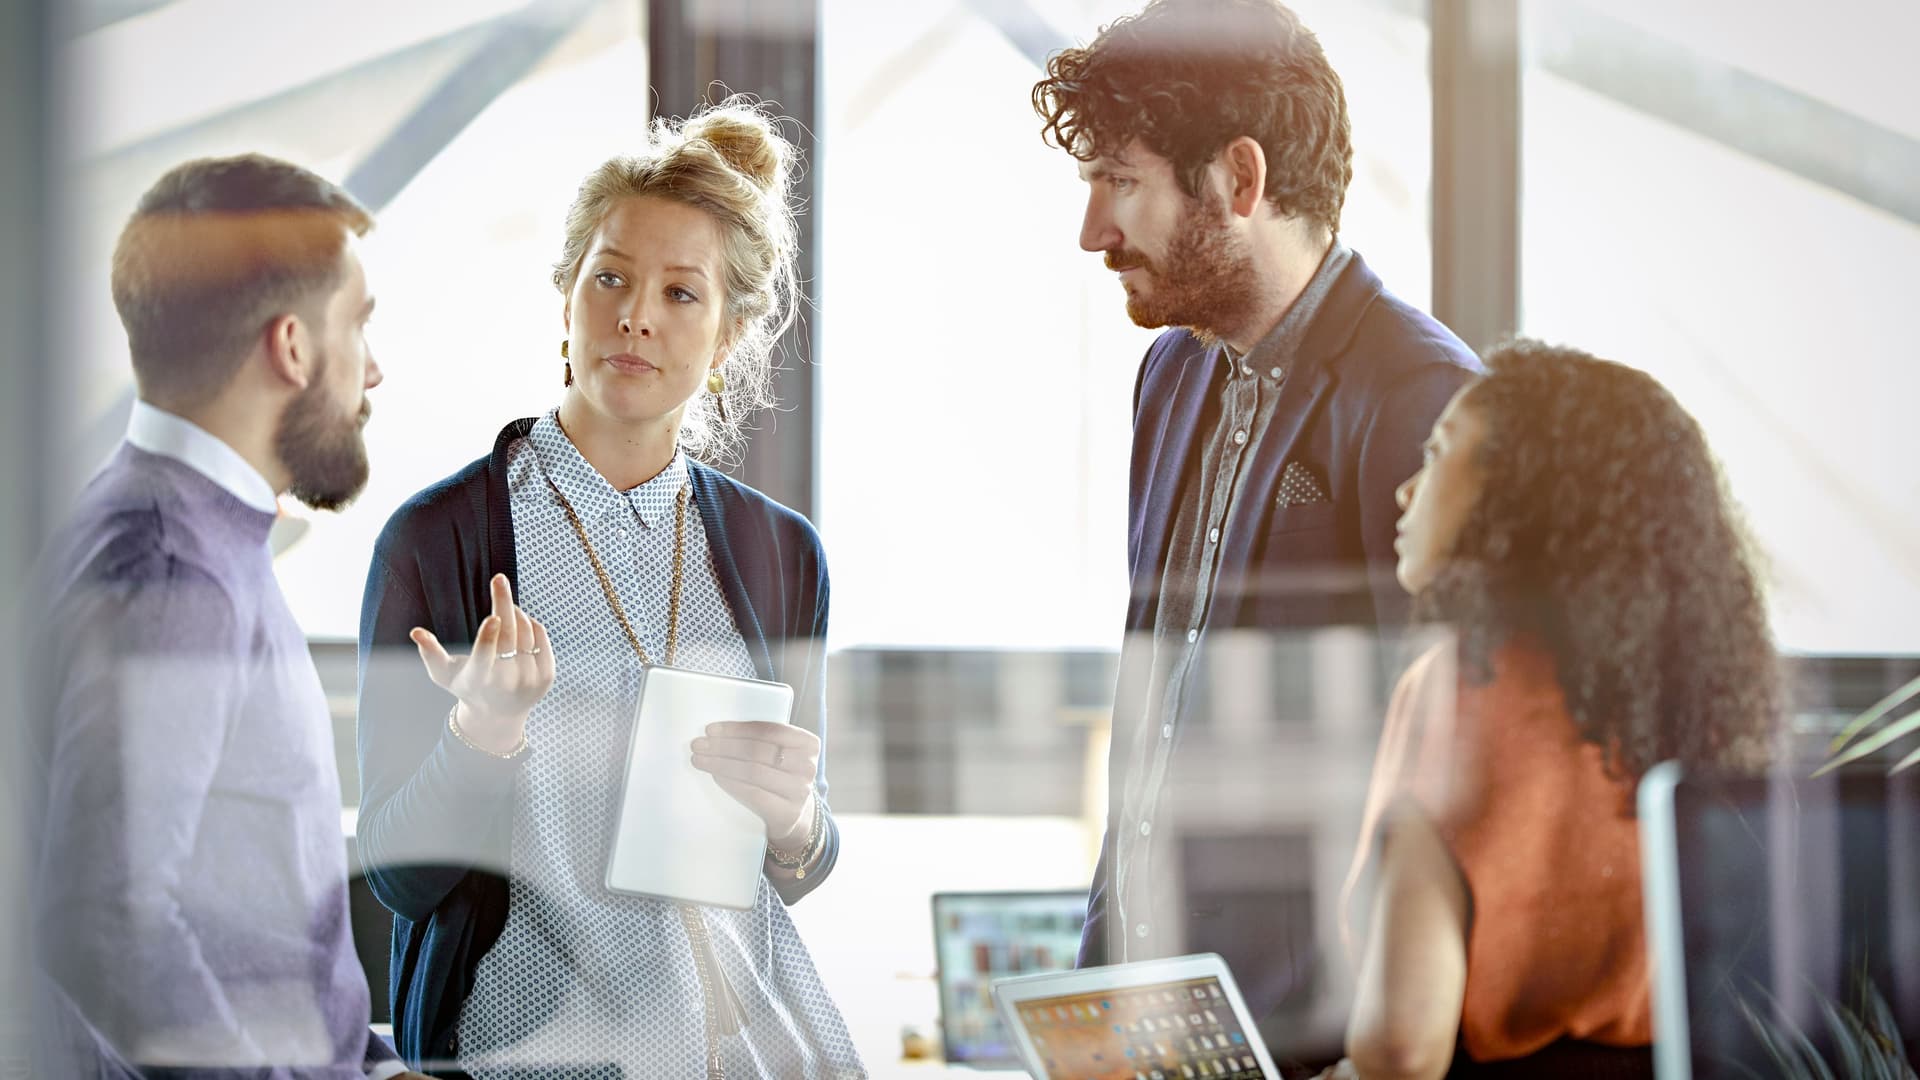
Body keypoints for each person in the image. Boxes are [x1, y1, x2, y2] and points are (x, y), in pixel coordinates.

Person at [354, 100, 862, 1078]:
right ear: (566, 299)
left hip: (746, 1052)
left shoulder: (782, 556)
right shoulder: (440, 541)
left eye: (681, 293)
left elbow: (789, 863)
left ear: (727, 338)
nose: (635, 314)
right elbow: (398, 880)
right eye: (612, 278)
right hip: (527, 1058)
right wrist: (482, 738)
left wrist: (797, 824)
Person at [1030, 0, 1480, 1039]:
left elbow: (1454, 779)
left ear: (1240, 178)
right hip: (1160, 1019)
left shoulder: (1427, 400)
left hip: (1320, 1035)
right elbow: (1152, 709)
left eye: (1121, 183)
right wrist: (1095, 987)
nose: (1093, 230)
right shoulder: (1170, 372)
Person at [28, 154, 410, 1077]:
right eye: (357, 327)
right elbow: (107, 925)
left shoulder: (189, 529)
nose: (377, 371)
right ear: (291, 346)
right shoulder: (170, 568)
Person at [1327, 341, 1777, 1079]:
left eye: (1439, 452)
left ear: (1517, 492)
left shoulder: (1463, 687)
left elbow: (1403, 1051)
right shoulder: (1695, 695)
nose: (1406, 491)